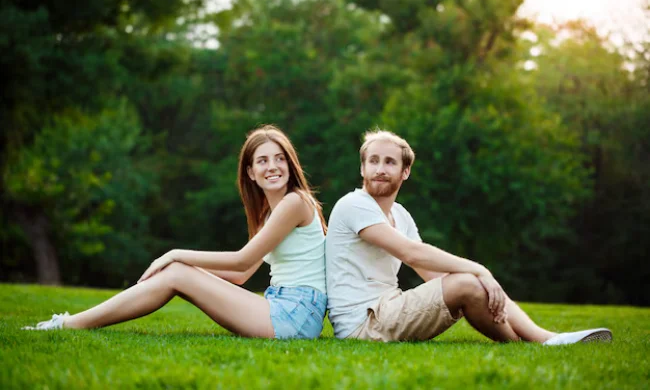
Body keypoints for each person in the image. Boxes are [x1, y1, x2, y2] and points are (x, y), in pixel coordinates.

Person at [24, 125, 328, 339]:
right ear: (250, 172)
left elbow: (240, 260)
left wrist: (173, 256)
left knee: (177, 271)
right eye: (262, 160)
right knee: (178, 273)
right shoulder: (271, 212)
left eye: (279, 158)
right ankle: (70, 323)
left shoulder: (294, 203)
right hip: (286, 308)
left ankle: (69, 324)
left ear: (291, 164)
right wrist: (183, 270)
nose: (273, 166)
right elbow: (242, 275)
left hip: (295, 316)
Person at [326, 129, 612, 345]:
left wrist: (481, 283)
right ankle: (538, 343)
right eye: (373, 161)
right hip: (363, 324)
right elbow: (412, 254)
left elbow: (431, 273)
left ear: (405, 171)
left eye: (390, 162)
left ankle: (546, 339)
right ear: (362, 168)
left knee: (469, 283)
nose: (380, 169)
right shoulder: (354, 205)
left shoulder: (400, 214)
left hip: (389, 308)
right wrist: (478, 270)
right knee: (468, 280)